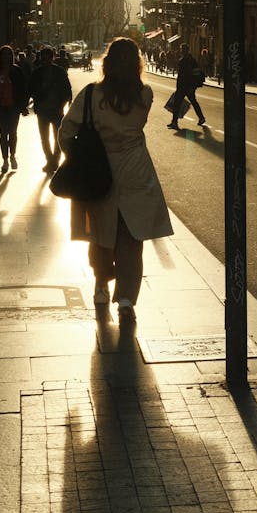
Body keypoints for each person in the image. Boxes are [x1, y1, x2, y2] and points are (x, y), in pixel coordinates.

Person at [58, 37, 173, 322]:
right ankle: (125, 299)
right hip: (136, 172)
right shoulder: (144, 95)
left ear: (107, 63)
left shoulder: (90, 95)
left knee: (100, 234)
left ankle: (100, 285)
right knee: (131, 239)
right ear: (137, 64)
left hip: (100, 172)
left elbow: (65, 131)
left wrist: (76, 156)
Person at [30, 45, 72, 172]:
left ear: (52, 58)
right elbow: (31, 89)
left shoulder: (59, 72)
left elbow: (67, 90)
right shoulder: (37, 73)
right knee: (44, 138)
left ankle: (55, 160)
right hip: (42, 110)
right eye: (43, 58)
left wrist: (63, 104)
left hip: (56, 109)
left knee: (57, 136)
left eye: (48, 58)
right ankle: (50, 160)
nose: (45, 60)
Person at [0, 45, 28, 172]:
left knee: (13, 132)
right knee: (3, 133)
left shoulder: (17, 71)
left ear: (12, 56)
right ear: (0, 56)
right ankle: (5, 159)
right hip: (0, 107)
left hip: (13, 106)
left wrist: (23, 106)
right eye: (3, 54)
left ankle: (13, 156)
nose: (6, 57)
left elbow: (23, 89)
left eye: (8, 54)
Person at [167, 44, 206, 130]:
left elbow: (181, 76)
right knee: (193, 102)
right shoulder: (192, 60)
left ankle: (174, 122)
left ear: (185, 50)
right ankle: (201, 118)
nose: (181, 51)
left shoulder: (183, 61)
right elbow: (196, 73)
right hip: (189, 87)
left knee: (177, 104)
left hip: (183, 87)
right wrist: (193, 86)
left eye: (181, 50)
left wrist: (180, 87)